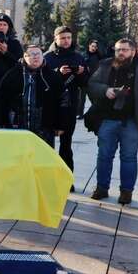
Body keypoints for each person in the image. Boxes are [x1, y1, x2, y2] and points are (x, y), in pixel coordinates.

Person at [88, 39, 138, 205]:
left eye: (125, 50)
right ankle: (101, 188)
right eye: (118, 50)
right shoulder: (106, 64)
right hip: (108, 119)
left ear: (134, 51)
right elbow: (92, 84)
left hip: (131, 121)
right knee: (104, 155)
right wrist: (105, 90)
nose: (121, 53)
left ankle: (126, 192)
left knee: (128, 157)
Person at [44, 26, 89, 184]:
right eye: (63, 38)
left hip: (69, 106)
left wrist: (82, 73)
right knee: (47, 145)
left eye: (69, 38)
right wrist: (57, 72)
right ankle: (47, 179)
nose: (66, 41)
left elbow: (85, 83)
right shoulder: (47, 57)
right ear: (55, 39)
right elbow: (42, 80)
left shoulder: (78, 57)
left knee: (66, 144)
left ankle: (66, 180)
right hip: (50, 106)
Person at [0, 45, 63, 145]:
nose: (36, 57)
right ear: (25, 57)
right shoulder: (12, 75)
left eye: (38, 54)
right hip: (16, 127)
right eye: (32, 54)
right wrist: (0, 123)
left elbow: (63, 101)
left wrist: (60, 124)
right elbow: (0, 99)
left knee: (42, 158)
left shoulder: (52, 76)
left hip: (44, 129)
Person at [78, 39, 102, 118]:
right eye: (92, 46)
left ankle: (96, 113)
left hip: (93, 81)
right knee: (82, 99)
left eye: (95, 47)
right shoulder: (83, 55)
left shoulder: (98, 56)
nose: (94, 48)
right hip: (84, 80)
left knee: (93, 98)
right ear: (89, 46)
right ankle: (80, 114)